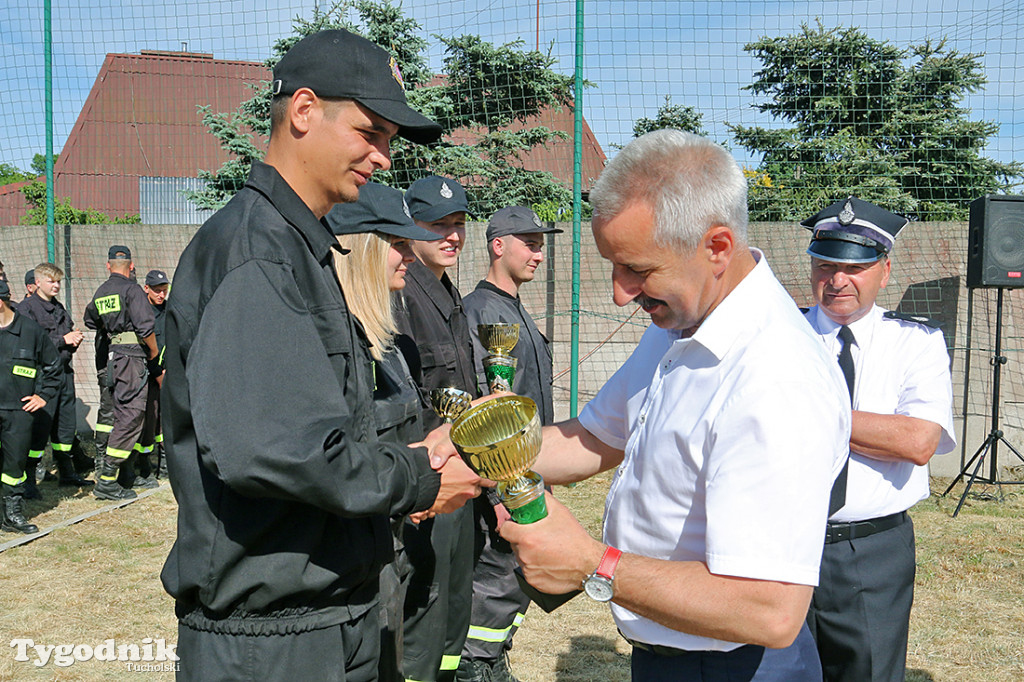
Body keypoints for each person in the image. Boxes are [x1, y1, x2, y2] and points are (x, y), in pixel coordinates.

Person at [465, 129, 853, 681]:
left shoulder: (775, 376)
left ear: (716, 247)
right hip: (667, 653)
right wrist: (470, 451)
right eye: (615, 268)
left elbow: (768, 610)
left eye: (639, 270)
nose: (622, 293)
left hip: (740, 666)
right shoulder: (681, 325)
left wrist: (589, 564)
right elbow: (595, 439)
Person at [158, 29, 479, 681]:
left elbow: (324, 432)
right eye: (371, 132)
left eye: (388, 140)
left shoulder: (298, 248)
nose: (384, 158)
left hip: (329, 619)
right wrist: (419, 479)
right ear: (304, 110)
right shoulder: (257, 251)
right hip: (275, 644)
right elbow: (275, 449)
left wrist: (416, 454)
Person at [800, 197, 956, 682]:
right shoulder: (778, 336)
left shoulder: (916, 342)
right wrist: (870, 428)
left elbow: (917, 442)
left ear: (884, 272)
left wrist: (805, 413)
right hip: (782, 538)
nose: (838, 280)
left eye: (856, 267)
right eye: (826, 265)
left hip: (870, 551)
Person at [327, 181, 455, 681]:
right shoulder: (334, 347)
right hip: (360, 558)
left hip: (397, 541)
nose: (409, 256)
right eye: (397, 245)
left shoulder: (387, 345)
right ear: (362, 249)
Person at [458, 206, 561, 682]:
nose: (539, 253)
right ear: (499, 245)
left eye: (541, 244)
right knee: (495, 576)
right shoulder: (481, 312)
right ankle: (476, 668)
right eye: (530, 243)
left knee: (518, 573)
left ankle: (494, 660)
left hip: (527, 472)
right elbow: (486, 411)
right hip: (500, 481)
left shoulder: (513, 307)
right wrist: (502, 490)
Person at [396, 174, 478, 682]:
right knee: (422, 611)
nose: (451, 235)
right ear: (409, 228)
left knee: (454, 607)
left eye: (458, 224)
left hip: (461, 479)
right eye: (437, 226)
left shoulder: (450, 295)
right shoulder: (402, 297)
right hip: (428, 486)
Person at [83, 246, 160, 500]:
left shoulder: (101, 292)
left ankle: (116, 474)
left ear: (108, 266)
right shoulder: (132, 290)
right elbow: (145, 327)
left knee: (113, 414)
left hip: (111, 358)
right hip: (131, 359)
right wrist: (153, 352)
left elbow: (90, 320)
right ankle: (107, 480)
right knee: (131, 415)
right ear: (131, 265)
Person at [17, 262, 90, 492]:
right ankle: (29, 478)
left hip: (64, 374)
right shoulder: (26, 309)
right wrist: (63, 340)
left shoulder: (59, 309)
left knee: (65, 427)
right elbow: (30, 343)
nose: (56, 285)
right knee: (39, 428)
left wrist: (74, 340)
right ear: (37, 283)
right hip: (42, 377)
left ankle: (66, 471)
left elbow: (66, 335)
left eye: (59, 281)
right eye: (51, 281)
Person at [0, 279, 62, 534]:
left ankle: (11, 514)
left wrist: (43, 396)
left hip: (19, 412)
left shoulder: (30, 331)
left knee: (14, 465)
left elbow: (53, 367)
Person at [138, 269, 169, 480]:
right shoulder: (141, 312)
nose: (161, 295)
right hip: (148, 373)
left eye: (164, 290)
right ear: (146, 289)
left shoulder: (170, 310)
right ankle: (144, 465)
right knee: (148, 420)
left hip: (168, 373)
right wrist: (157, 373)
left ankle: (166, 465)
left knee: (166, 419)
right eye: (157, 291)